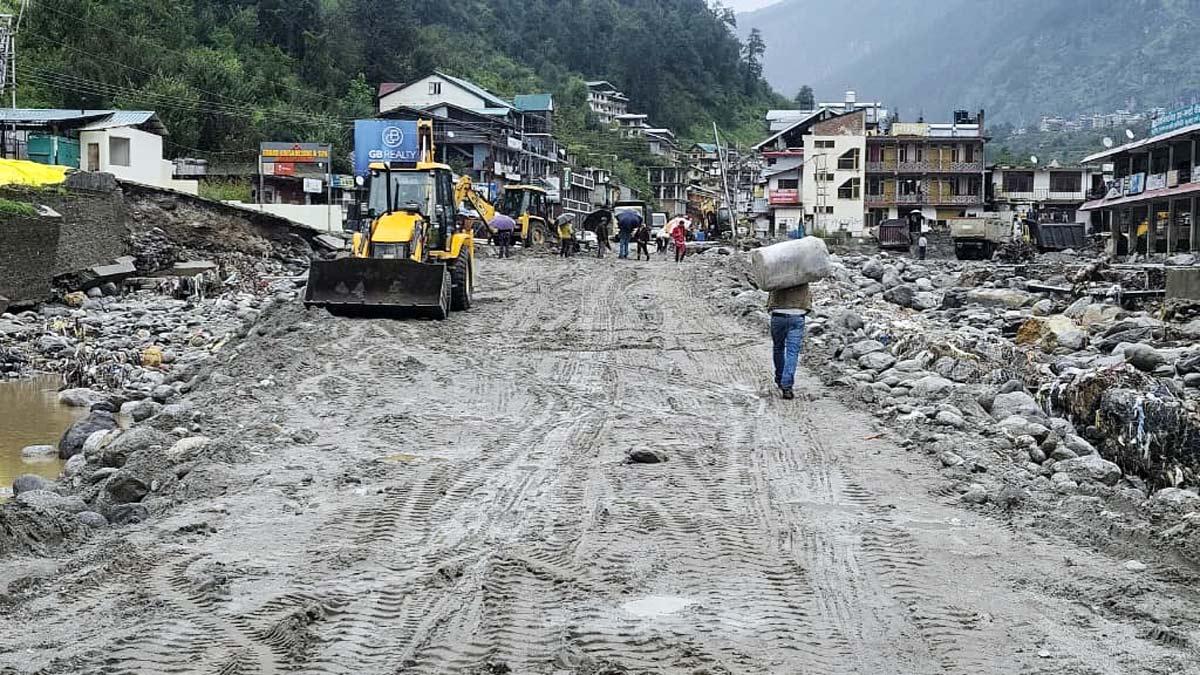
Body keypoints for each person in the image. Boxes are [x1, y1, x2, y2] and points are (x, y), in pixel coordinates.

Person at [768, 282, 811, 400]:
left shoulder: (776, 270)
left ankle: (780, 378)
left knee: (778, 348)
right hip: (797, 314)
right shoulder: (804, 269)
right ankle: (787, 386)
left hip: (778, 314)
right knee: (792, 351)